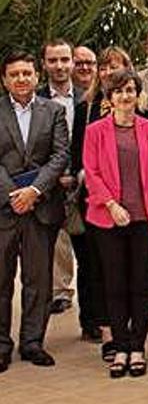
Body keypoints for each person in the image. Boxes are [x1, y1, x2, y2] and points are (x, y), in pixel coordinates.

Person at [82, 70, 148, 377]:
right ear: (109, 97)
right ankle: (119, 347)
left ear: (138, 94)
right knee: (114, 284)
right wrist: (112, 204)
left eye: (130, 90)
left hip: (145, 218)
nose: (125, 96)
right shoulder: (95, 131)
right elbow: (91, 173)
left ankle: (138, 347)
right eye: (118, 91)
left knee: (141, 284)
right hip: (108, 218)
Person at [0, 52, 69, 373]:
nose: (21, 79)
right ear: (4, 80)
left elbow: (60, 155)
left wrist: (34, 191)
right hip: (4, 208)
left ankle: (32, 342)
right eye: (14, 74)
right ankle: (2, 344)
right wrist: (13, 194)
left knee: (38, 280)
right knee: (1, 280)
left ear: (36, 76)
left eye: (26, 73)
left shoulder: (53, 111)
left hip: (41, 207)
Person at [73, 46, 135, 361]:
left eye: (116, 67)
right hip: (97, 201)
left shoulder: (142, 107)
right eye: (105, 67)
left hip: (134, 204)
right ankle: (107, 331)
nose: (109, 72)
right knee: (99, 268)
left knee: (132, 269)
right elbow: (76, 153)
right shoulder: (86, 107)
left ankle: (129, 330)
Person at [37, 39, 82, 316]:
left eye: (65, 59)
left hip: (83, 181)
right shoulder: (36, 98)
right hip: (47, 183)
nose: (59, 66)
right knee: (52, 244)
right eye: (53, 60)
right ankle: (58, 292)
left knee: (87, 248)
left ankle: (92, 317)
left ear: (73, 63)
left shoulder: (87, 98)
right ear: (44, 64)